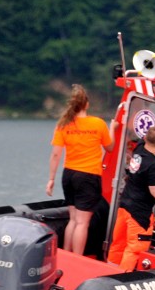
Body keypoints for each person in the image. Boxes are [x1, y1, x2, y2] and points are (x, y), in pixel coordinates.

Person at [108, 97, 155, 271]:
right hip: (139, 213)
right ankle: (121, 279)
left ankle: (108, 271)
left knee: (117, 245)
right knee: (134, 249)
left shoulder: (139, 148)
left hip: (124, 206)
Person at [46, 84, 117, 255]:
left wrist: (51, 180)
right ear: (86, 104)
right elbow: (110, 147)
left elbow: (55, 155)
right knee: (82, 223)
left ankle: (67, 253)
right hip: (88, 176)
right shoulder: (98, 124)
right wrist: (112, 129)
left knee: (73, 220)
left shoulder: (63, 125)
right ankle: (77, 258)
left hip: (69, 175)